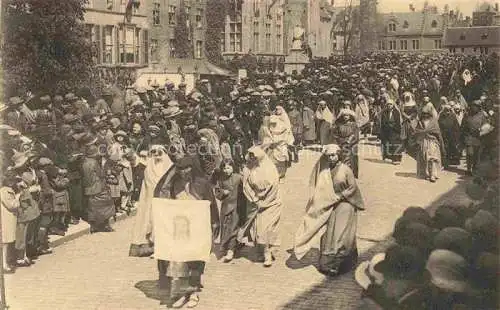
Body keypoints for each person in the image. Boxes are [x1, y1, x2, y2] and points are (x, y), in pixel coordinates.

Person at [153, 156, 219, 308]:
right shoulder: (174, 184)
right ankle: (182, 293)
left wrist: (214, 224)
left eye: (186, 168)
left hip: (198, 228)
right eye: (180, 169)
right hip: (180, 228)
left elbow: (211, 205)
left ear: (193, 168)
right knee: (179, 261)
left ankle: (193, 293)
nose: (183, 172)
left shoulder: (202, 184)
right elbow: (166, 203)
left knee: (195, 260)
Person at [294, 144, 364, 276]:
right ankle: (327, 263)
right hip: (330, 203)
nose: (331, 158)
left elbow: (352, 188)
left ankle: (340, 263)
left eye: (333, 155)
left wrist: (341, 196)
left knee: (341, 233)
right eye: (329, 156)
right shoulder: (324, 171)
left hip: (346, 203)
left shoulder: (345, 170)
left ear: (339, 155)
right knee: (328, 232)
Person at [238, 146, 283, 267]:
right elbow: (246, 185)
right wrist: (255, 199)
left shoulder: (270, 168)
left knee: (266, 229)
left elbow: (273, 187)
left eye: (254, 156)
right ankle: (261, 250)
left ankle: (268, 252)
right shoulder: (248, 169)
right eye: (250, 156)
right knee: (257, 229)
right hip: (255, 202)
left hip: (271, 202)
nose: (252, 159)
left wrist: (264, 201)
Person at [129, 145, 173, 257]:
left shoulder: (170, 167)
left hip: (164, 200)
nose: (157, 154)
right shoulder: (149, 166)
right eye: (154, 152)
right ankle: (149, 246)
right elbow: (135, 161)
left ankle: (162, 247)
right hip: (149, 200)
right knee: (148, 221)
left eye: (160, 152)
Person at [214, 159, 244, 263]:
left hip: (236, 207)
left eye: (228, 167)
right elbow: (217, 192)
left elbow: (247, 188)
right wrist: (222, 192)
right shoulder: (221, 179)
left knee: (233, 228)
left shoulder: (238, 178)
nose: (226, 170)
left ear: (233, 167)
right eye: (224, 168)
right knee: (226, 228)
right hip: (225, 207)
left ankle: (231, 250)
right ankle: (227, 247)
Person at [81, 143, 115, 233]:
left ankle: (93, 226)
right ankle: (106, 225)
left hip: (88, 188)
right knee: (107, 204)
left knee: (92, 207)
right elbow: (101, 174)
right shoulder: (94, 162)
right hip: (98, 187)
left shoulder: (84, 162)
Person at [414, 105, 445, 183]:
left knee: (432, 158)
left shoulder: (434, 122)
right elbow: (417, 131)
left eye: (427, 113)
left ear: (429, 114)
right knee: (424, 157)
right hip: (423, 141)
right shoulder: (420, 122)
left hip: (432, 142)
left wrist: (440, 142)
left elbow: (438, 133)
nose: (425, 115)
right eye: (424, 113)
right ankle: (426, 173)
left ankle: (433, 175)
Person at [331, 109, 360, 178]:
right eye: (344, 115)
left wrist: (349, 142)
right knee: (342, 159)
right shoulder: (339, 125)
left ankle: (351, 174)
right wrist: (341, 141)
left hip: (352, 145)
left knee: (352, 160)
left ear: (350, 116)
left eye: (347, 115)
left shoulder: (354, 125)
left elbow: (356, 135)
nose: (345, 117)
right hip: (341, 144)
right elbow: (335, 135)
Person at [379, 99, 403, 164]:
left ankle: (396, 159)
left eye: (391, 104)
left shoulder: (396, 112)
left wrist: (393, 127)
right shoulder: (384, 113)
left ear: (393, 105)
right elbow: (383, 122)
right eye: (388, 104)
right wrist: (387, 127)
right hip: (387, 130)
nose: (389, 106)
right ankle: (391, 158)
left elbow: (397, 122)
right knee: (387, 144)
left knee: (395, 144)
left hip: (395, 130)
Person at [438, 104, 461, 168]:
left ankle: (453, 161)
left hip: (452, 135)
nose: (447, 111)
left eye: (449, 110)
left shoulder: (453, 116)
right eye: (446, 110)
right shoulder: (441, 116)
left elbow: (456, 127)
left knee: (452, 148)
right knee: (445, 149)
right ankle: (445, 163)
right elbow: (439, 125)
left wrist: (457, 136)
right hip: (444, 135)